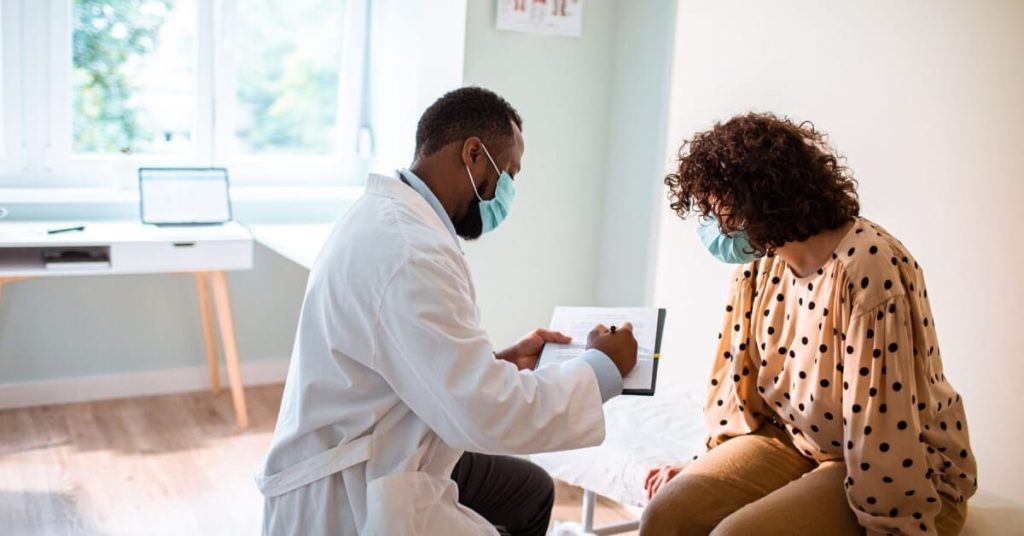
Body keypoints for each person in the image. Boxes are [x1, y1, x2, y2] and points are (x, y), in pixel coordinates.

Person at [255, 86, 638, 536]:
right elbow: (487, 415)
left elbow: (413, 359)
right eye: (510, 174)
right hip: (354, 485)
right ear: (474, 155)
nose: (509, 193)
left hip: (391, 438)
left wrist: (498, 361)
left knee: (529, 489)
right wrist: (603, 366)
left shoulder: (391, 218)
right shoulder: (410, 252)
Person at [640, 113, 977, 535]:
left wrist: (894, 527)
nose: (711, 224)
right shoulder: (760, 264)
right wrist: (704, 469)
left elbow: (882, 424)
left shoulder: (868, 267)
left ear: (760, 197)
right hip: (794, 441)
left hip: (894, 463)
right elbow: (737, 387)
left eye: (715, 207)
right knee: (665, 516)